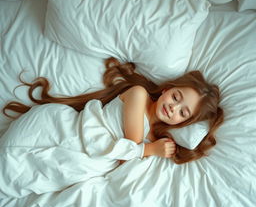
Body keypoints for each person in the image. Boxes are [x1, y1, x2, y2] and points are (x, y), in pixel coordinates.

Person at [3, 57, 224, 165]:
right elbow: (132, 143)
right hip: (65, 129)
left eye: (183, 113)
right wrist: (150, 150)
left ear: (183, 123)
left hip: (82, 157)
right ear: (167, 89)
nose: (173, 107)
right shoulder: (139, 95)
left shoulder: (155, 137)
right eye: (176, 97)